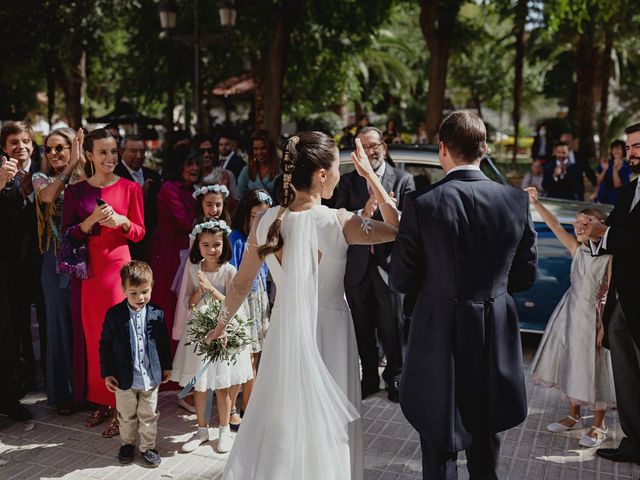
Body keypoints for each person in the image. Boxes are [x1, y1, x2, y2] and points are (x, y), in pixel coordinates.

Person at [207, 132, 401, 480]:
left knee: (283, 420)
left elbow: (239, 285)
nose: (342, 176)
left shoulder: (266, 222)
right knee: (327, 427)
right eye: (339, 169)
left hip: (284, 334)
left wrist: (219, 327)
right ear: (321, 175)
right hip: (332, 335)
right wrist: (371, 176)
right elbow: (398, 228)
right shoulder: (341, 222)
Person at [390, 110, 537, 480]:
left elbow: (402, 279)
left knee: (437, 439)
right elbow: (525, 275)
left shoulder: (421, 203)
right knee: (486, 439)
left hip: (437, 335)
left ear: (443, 149)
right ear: (483, 150)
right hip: (493, 331)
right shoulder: (516, 202)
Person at [61, 128, 145, 437]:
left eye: (113, 152)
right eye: (103, 152)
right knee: (93, 336)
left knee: (118, 338)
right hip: (88, 274)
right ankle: (101, 400)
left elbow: (139, 232)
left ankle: (121, 406)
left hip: (119, 270)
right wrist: (90, 220)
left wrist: (123, 222)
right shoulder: (75, 192)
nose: (110, 158)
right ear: (90, 156)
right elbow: (69, 235)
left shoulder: (130, 188)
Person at [526, 187, 615, 448]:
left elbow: (610, 292)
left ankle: (600, 423)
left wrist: (603, 328)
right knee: (570, 363)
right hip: (569, 315)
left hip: (594, 319)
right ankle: (573, 414)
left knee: (595, 368)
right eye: (577, 222)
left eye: (586, 223)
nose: (579, 227)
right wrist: (536, 202)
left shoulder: (609, 257)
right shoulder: (577, 249)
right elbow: (553, 225)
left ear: (600, 226)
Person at [334, 126, 415, 402]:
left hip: (389, 264)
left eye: (374, 146)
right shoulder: (347, 182)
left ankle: (395, 377)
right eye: (364, 148)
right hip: (357, 265)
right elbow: (339, 218)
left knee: (393, 325)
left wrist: (386, 210)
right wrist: (364, 212)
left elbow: (410, 225)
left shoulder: (404, 180)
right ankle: (368, 377)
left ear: (384, 147)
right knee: (362, 324)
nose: (370, 152)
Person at [580, 122, 640, 465]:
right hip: (622, 305)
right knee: (627, 379)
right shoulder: (629, 190)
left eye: (637, 146)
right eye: (629, 147)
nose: (631, 153)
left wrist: (605, 234)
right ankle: (634, 442)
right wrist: (592, 232)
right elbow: (613, 233)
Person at [171, 220, 253, 454]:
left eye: (216, 244)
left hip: (224, 328)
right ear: (198, 245)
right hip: (200, 331)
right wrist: (199, 290)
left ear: (223, 244)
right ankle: (202, 430)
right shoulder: (192, 269)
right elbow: (188, 302)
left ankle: (224, 429)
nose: (211, 250)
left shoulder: (228, 270)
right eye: (205, 245)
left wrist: (210, 288)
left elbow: (233, 302)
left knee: (223, 385)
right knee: (201, 384)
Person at [33, 127, 85, 415]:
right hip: (53, 260)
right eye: (48, 149)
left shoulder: (84, 177)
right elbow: (48, 198)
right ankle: (62, 394)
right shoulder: (40, 178)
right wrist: (70, 167)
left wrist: (81, 166)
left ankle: (84, 391)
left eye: (60, 148)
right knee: (58, 327)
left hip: (81, 258)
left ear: (72, 148)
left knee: (81, 324)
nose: (53, 153)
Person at [99, 261, 172, 467]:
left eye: (145, 292)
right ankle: (127, 444)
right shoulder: (114, 315)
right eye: (134, 293)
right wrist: (107, 373)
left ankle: (148, 447)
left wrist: (166, 366)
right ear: (123, 289)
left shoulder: (157, 312)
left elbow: (163, 342)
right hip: (124, 378)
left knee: (148, 415)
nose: (140, 298)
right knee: (127, 415)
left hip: (149, 378)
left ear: (152, 286)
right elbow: (104, 344)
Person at [0, 121, 45, 397]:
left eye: (26, 141)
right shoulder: (1, 177)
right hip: (11, 264)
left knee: (46, 320)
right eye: (14, 142)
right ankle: (22, 379)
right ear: (4, 148)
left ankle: (50, 376)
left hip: (42, 261)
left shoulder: (43, 174)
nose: (21, 147)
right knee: (17, 326)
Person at [148, 147, 200, 352]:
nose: (194, 168)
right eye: (189, 164)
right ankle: (165, 355)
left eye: (196, 164)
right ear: (179, 166)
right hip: (168, 252)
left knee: (185, 302)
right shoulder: (170, 188)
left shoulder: (193, 189)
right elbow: (185, 222)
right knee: (168, 302)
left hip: (185, 250)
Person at [229, 189, 273, 414]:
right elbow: (235, 279)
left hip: (260, 301)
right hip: (243, 304)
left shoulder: (267, 240)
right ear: (246, 214)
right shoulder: (236, 239)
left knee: (256, 356)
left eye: (264, 216)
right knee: (242, 356)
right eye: (255, 216)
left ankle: (249, 407)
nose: (259, 221)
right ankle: (234, 411)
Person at [114, 135, 161, 261]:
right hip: (124, 241)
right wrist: (138, 196)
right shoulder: (114, 175)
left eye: (142, 151)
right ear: (121, 152)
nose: (139, 156)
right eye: (134, 151)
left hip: (149, 240)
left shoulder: (153, 176)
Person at [237, 130, 280, 198]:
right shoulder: (247, 170)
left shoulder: (280, 168)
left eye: (263, 148)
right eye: (256, 149)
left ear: (270, 149)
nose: (259, 152)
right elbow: (239, 196)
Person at [593, 139, 631, 205]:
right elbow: (598, 181)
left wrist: (614, 169)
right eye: (613, 149)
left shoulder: (627, 166)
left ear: (623, 150)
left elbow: (617, 185)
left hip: (618, 200)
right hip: (602, 198)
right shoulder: (606, 162)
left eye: (618, 149)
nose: (615, 151)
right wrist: (604, 169)